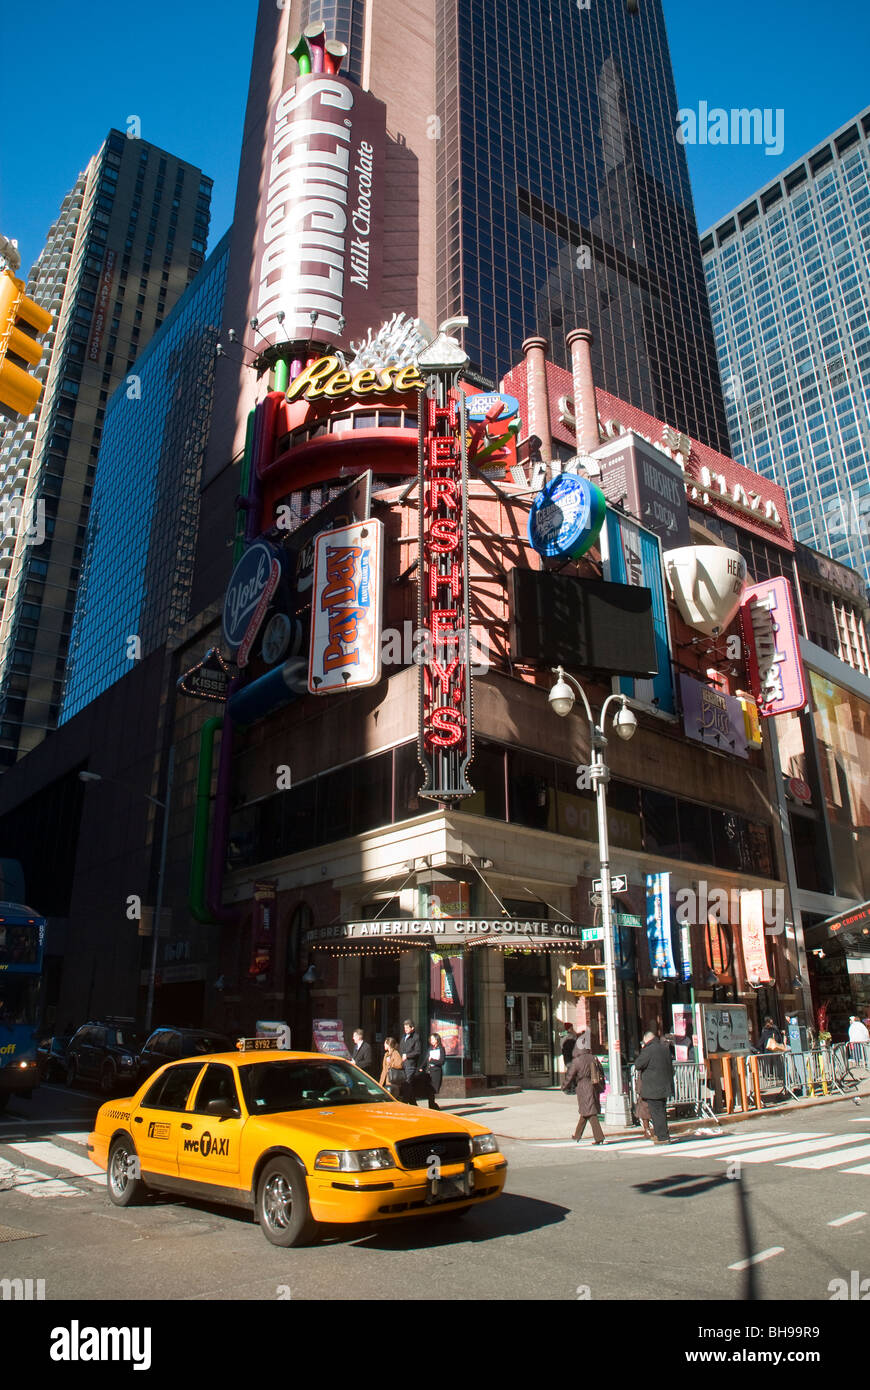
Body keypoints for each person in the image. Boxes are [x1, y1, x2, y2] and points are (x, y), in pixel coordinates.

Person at [562, 1031, 606, 1144]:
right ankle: (577, 1135)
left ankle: (599, 1137)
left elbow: (570, 1075)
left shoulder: (577, 1061)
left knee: (590, 1112)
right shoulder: (593, 1058)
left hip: (583, 1086)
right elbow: (601, 1071)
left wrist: (564, 1086)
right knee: (585, 1111)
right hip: (593, 1085)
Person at [634, 1030, 674, 1144]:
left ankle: (662, 1137)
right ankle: (663, 1134)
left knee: (656, 1113)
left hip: (652, 1086)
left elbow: (638, 1064)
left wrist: (643, 1050)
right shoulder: (664, 1048)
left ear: (647, 1040)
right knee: (661, 1111)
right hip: (664, 1085)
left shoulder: (648, 1050)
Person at [400, 1019, 422, 1105]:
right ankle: (414, 1105)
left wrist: (407, 1055)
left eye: (407, 1027)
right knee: (408, 1085)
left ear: (412, 1028)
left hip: (411, 1065)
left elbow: (418, 1051)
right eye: (404, 1027)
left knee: (407, 1083)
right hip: (404, 1064)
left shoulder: (416, 1037)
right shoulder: (403, 1037)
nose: (405, 1029)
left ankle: (404, 1104)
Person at [421, 1033, 445, 1110]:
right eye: (430, 1039)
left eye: (433, 1039)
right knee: (429, 1090)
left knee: (432, 1090)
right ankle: (432, 1106)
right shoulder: (430, 1048)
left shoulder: (441, 1049)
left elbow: (441, 1061)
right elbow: (426, 1059)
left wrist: (432, 1060)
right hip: (429, 1071)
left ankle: (433, 1106)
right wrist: (421, 1067)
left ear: (437, 1039)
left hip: (436, 1072)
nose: (431, 1041)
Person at [634, 1069, 654, 1141]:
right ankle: (649, 1130)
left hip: (645, 1089)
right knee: (653, 1109)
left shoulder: (644, 1062)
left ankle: (647, 1130)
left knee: (644, 1109)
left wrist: (638, 1089)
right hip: (655, 1088)